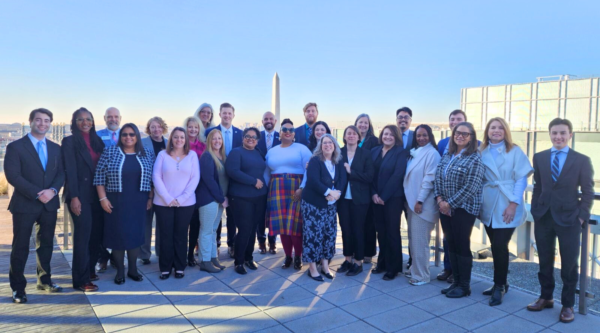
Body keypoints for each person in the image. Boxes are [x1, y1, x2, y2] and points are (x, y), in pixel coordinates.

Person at [526, 118, 594, 324]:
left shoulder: (582, 159)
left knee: (569, 264)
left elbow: (588, 191)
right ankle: (546, 297)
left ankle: (567, 304)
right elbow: (538, 186)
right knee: (544, 260)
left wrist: (581, 216)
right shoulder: (539, 157)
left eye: (563, 133)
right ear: (549, 134)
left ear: (570, 135)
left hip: (570, 218)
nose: (558, 136)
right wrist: (535, 208)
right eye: (555, 133)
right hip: (544, 216)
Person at [5, 108, 65, 303]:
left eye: (46, 120)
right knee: (20, 246)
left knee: (46, 244)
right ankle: (18, 288)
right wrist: (37, 193)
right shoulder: (16, 147)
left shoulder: (56, 148)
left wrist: (53, 191)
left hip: (49, 204)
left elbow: (61, 174)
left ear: (50, 123)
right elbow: (13, 175)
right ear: (30, 121)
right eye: (38, 120)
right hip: (24, 204)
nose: (42, 124)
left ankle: (44, 280)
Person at [479, 117, 533, 305]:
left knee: (500, 246)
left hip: (506, 202)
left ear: (506, 131)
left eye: (500, 128)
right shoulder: (481, 151)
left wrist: (513, 204)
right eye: (492, 127)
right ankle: (501, 283)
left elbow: (521, 179)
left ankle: (499, 286)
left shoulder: (515, 150)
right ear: (487, 131)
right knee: (495, 246)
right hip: (488, 204)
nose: (496, 131)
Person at [94, 123, 154, 285]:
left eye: (132, 134)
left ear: (137, 137)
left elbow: (152, 178)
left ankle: (133, 269)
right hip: (116, 202)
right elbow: (99, 176)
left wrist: (150, 198)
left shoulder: (146, 153)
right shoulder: (110, 151)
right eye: (125, 134)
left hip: (139, 201)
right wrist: (103, 199)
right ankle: (120, 270)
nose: (128, 137)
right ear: (120, 137)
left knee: (135, 236)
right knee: (118, 237)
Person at [434, 122, 484, 298]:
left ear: (471, 137)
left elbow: (471, 186)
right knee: (451, 243)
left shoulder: (475, 158)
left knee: (462, 244)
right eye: (457, 133)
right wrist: (440, 200)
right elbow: (438, 178)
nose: (460, 136)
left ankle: (464, 286)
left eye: (465, 133)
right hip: (444, 206)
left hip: (464, 208)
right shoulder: (447, 155)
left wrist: (450, 204)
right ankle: (455, 282)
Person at [62, 108, 105, 292]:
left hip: (98, 195)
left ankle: (89, 270)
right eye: (80, 119)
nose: (85, 122)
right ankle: (81, 280)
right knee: (82, 238)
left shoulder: (98, 141)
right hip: (79, 196)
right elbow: (70, 171)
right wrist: (74, 197)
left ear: (93, 121)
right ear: (74, 122)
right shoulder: (69, 142)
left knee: (96, 236)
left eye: (88, 119)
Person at [153, 127, 200, 279]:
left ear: (186, 139)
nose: (179, 140)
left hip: (186, 203)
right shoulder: (162, 155)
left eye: (182, 137)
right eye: (176, 137)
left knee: (181, 235)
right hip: (162, 203)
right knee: (166, 235)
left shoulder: (192, 155)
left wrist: (182, 198)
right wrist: (167, 198)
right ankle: (165, 267)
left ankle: (180, 266)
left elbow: (195, 178)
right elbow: (156, 177)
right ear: (171, 139)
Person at [265, 119, 312, 269]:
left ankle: (298, 256)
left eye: (291, 130)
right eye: (284, 129)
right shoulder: (272, 151)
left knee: (295, 225)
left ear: (294, 134)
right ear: (280, 132)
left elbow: (309, 170)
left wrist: (302, 188)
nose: (288, 132)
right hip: (276, 188)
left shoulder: (302, 149)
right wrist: (266, 190)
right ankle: (288, 256)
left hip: (296, 188)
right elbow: (267, 172)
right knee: (282, 226)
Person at [302, 134, 347, 282]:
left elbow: (342, 179)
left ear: (335, 145)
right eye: (324, 143)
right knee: (313, 236)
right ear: (320, 146)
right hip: (314, 204)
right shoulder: (315, 160)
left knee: (329, 235)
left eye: (330, 142)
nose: (327, 145)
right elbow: (313, 181)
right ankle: (313, 268)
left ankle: (325, 266)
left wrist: (336, 194)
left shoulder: (338, 161)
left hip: (331, 206)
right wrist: (328, 192)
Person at [225, 127, 268, 275]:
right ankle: (239, 261)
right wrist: (253, 181)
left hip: (259, 197)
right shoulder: (236, 152)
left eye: (254, 137)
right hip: (241, 197)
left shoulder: (258, 153)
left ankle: (249, 258)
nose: (251, 139)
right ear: (243, 138)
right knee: (244, 229)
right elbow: (232, 171)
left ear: (257, 140)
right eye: (248, 136)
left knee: (253, 229)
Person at [403, 125, 441, 286]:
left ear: (430, 136)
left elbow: (429, 180)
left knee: (420, 242)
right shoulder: (417, 151)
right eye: (418, 135)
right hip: (412, 203)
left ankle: (422, 275)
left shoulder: (432, 153)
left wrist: (419, 201)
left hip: (422, 204)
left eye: (424, 135)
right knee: (414, 240)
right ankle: (415, 270)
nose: (421, 138)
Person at [370, 125, 409, 281]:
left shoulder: (401, 152)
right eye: (385, 134)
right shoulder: (374, 151)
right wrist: (373, 193)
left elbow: (398, 175)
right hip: (375, 198)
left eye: (391, 135)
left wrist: (383, 197)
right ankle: (382, 262)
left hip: (392, 199)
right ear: (381, 135)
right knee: (381, 232)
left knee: (392, 232)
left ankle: (393, 267)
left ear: (396, 137)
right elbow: (370, 174)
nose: (387, 137)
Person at [206, 103, 243, 258]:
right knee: (216, 213)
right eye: (224, 113)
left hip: (234, 180)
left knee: (232, 215)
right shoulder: (210, 132)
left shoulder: (241, 134)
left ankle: (232, 244)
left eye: (229, 113)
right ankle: (216, 245)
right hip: (216, 177)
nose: (227, 116)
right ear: (219, 115)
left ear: (233, 115)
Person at [337, 126, 374, 276]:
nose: (351, 136)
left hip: (360, 198)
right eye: (348, 134)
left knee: (358, 229)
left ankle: (358, 262)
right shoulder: (338, 153)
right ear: (344, 137)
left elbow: (369, 176)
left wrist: (352, 172)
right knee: (346, 229)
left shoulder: (366, 154)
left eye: (354, 134)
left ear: (359, 137)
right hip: (342, 199)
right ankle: (348, 259)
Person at [436, 109, 467, 283]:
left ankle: (460, 274)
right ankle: (448, 268)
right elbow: (439, 170)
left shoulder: (475, 143)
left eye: (459, 119)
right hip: (444, 200)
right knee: (448, 237)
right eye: (452, 119)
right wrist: (441, 199)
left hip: (462, 201)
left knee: (461, 238)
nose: (455, 122)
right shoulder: (442, 143)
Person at [196, 130, 228, 273]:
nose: (217, 141)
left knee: (213, 230)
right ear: (209, 141)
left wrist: (223, 198)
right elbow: (209, 180)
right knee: (206, 230)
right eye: (214, 139)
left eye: (219, 138)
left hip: (219, 200)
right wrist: (221, 198)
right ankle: (204, 261)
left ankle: (213, 257)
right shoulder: (207, 157)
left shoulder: (222, 156)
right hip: (209, 200)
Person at [140, 116, 169, 265]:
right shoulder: (142, 142)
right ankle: (144, 254)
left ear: (163, 127)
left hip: (165, 188)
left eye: (158, 126)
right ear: (148, 129)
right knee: (146, 221)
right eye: (153, 127)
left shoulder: (169, 143)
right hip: (146, 188)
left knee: (162, 222)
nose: (156, 129)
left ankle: (160, 251)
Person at [95, 106, 121, 271]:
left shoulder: (128, 135)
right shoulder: (97, 136)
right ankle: (102, 257)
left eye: (116, 116)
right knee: (100, 225)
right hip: (102, 185)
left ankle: (116, 258)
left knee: (119, 224)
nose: (113, 119)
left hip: (121, 187)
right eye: (109, 117)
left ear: (120, 118)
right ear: (104, 118)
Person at [354, 113, 379, 263]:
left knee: (369, 222)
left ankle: (368, 253)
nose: (363, 125)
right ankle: (358, 251)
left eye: (366, 123)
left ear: (369, 125)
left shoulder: (374, 141)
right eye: (360, 122)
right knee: (357, 222)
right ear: (355, 123)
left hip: (369, 185)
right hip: (354, 187)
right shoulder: (352, 139)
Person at [183, 116, 207, 267]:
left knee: (195, 225)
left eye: (195, 127)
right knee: (182, 226)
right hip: (181, 190)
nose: (193, 130)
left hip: (198, 190)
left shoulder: (204, 147)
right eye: (190, 127)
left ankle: (191, 254)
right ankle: (180, 254)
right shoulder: (180, 144)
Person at [256, 111, 281, 254]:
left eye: (271, 118)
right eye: (266, 119)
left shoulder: (281, 137)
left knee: (273, 212)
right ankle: (261, 241)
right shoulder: (256, 137)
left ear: (275, 121)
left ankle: (272, 242)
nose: (268, 121)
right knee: (260, 212)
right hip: (259, 180)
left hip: (276, 181)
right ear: (262, 121)